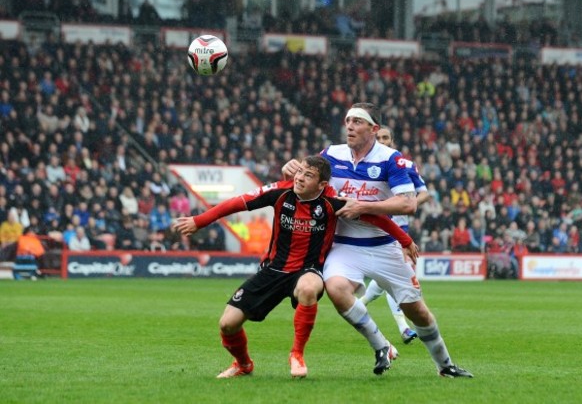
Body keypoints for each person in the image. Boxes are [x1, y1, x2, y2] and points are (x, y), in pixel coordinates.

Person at [173, 156, 417, 379]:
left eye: (307, 175)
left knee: (310, 288)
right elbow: (237, 203)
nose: (299, 177)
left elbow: (375, 217)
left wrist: (406, 241)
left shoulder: (333, 202)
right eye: (299, 172)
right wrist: (198, 220)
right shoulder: (280, 192)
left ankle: (297, 354)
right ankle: (243, 365)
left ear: (321, 184)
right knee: (228, 324)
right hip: (273, 269)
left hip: (307, 270)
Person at [282, 103, 472, 377]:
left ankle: (445, 366)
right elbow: (307, 180)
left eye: (358, 121)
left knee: (417, 312)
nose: (350, 126)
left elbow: (408, 205)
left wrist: (363, 206)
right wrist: (292, 169)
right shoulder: (331, 154)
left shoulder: (391, 159)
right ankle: (381, 345)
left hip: (385, 246)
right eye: (348, 120)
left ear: (374, 129)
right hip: (345, 245)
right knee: (335, 288)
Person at [360, 125, 430, 344]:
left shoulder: (404, 164)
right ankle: (403, 327)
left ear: (391, 140)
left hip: (399, 230)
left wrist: (406, 204)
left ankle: (358, 306)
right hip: (376, 227)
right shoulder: (363, 164)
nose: (382, 140)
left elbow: (424, 193)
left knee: (388, 278)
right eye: (379, 137)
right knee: (397, 276)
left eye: (386, 137)